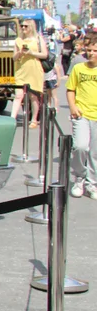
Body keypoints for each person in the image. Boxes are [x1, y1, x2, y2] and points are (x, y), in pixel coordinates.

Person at [67, 36, 97, 199]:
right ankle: (79, 177)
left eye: (95, 50)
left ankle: (92, 183)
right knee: (80, 146)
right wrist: (72, 106)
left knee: (94, 152)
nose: (91, 53)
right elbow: (71, 89)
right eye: (89, 50)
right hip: (82, 113)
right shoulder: (79, 68)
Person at [11, 18, 47, 128]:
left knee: (33, 96)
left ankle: (34, 119)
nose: (23, 28)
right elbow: (14, 57)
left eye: (25, 26)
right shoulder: (18, 40)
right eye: (22, 26)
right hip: (21, 70)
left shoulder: (38, 39)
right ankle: (12, 119)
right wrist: (20, 53)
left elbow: (45, 54)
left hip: (34, 69)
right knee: (18, 95)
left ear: (31, 27)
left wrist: (32, 53)